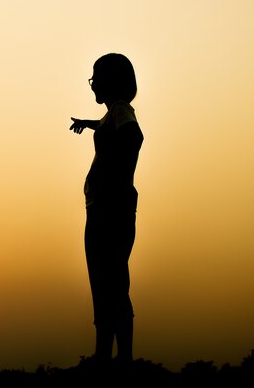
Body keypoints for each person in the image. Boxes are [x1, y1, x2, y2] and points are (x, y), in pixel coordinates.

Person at [70, 53, 143, 368]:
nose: (92, 83)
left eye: (96, 77)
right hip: (102, 208)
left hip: (110, 210)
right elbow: (108, 124)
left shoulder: (122, 111)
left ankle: (121, 358)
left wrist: (117, 172)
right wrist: (89, 125)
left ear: (111, 81)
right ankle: (104, 355)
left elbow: (133, 135)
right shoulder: (113, 113)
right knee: (104, 283)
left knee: (111, 282)